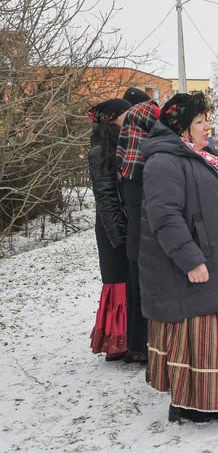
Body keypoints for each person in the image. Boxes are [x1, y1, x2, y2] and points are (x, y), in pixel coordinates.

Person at [140, 91, 218, 423]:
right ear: (182, 128)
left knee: (210, 336)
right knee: (195, 338)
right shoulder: (164, 161)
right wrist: (191, 259)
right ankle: (189, 404)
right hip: (188, 267)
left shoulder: (205, 155)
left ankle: (207, 401)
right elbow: (165, 217)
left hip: (215, 257)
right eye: (199, 121)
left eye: (207, 119)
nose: (207, 127)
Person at [116, 100, 161, 364]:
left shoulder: (126, 156)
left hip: (135, 238)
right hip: (145, 237)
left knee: (136, 293)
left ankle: (136, 346)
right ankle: (142, 347)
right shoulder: (143, 161)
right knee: (144, 294)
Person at [87, 98, 132, 360]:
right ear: (113, 118)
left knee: (125, 281)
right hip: (111, 227)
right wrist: (119, 235)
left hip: (120, 223)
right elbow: (105, 197)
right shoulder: (100, 151)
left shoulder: (119, 144)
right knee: (117, 283)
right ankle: (118, 342)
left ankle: (128, 339)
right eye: (127, 114)